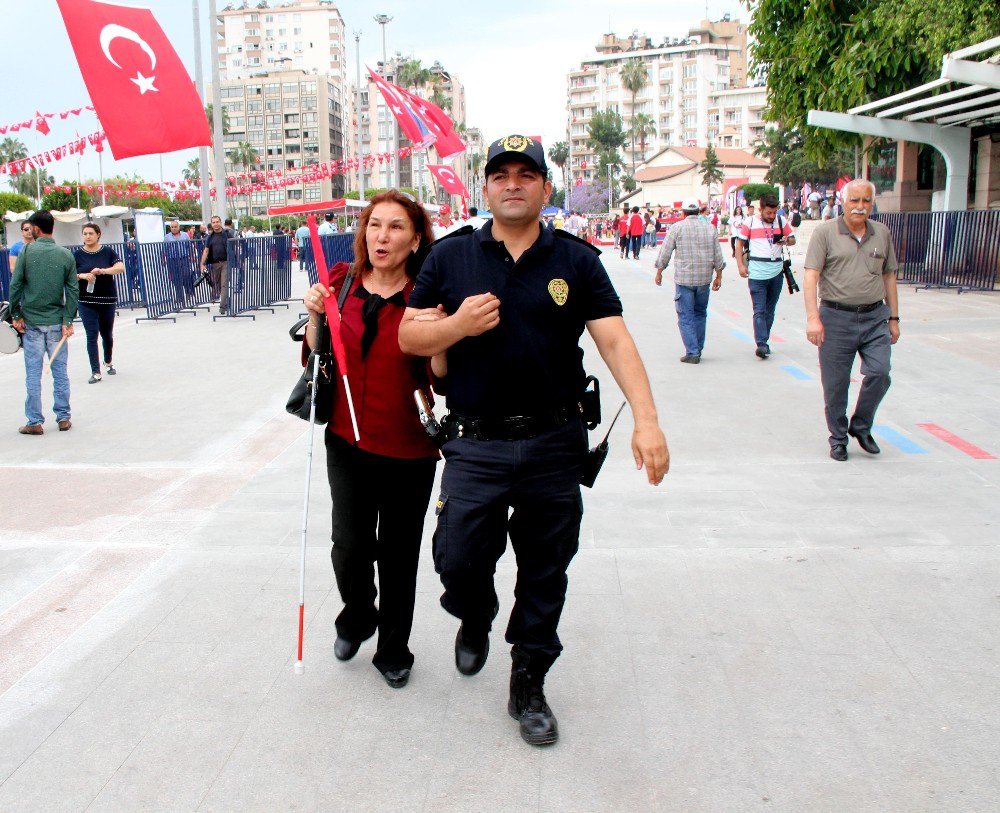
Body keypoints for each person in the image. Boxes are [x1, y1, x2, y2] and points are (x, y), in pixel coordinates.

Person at [399, 134, 669, 747]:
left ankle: (528, 680)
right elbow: (409, 340)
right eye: (501, 174)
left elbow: (616, 342)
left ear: (546, 189)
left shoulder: (576, 260)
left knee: (547, 569)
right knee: (458, 557)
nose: (513, 183)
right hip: (475, 443)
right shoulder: (451, 258)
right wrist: (456, 324)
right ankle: (475, 612)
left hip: (554, 442)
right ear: (485, 187)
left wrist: (647, 421)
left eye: (527, 174)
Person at [302, 191, 441, 689]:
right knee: (349, 545)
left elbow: (440, 376)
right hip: (346, 440)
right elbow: (317, 357)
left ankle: (394, 647)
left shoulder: (427, 298)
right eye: (374, 225)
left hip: (409, 448)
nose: (382, 236)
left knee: (399, 553)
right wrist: (316, 313)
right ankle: (358, 616)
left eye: (396, 227)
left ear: (416, 238)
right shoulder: (341, 283)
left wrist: (447, 332)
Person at [804, 179, 899, 462]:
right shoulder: (825, 234)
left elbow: (889, 276)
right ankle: (838, 438)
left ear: (872, 203)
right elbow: (811, 277)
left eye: (866, 201)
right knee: (836, 385)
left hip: (874, 317)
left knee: (880, 373)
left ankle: (861, 424)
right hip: (835, 318)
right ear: (842, 202)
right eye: (854, 200)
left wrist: (893, 317)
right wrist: (813, 318)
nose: (860, 207)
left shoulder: (881, 233)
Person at [8, 210, 78, 434]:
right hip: (57, 322)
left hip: (32, 322)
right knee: (60, 371)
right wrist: (68, 318)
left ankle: (35, 421)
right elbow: (73, 290)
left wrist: (16, 314)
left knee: (33, 373)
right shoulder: (65, 255)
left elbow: (15, 285)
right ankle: (63, 417)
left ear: (36, 229)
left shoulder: (27, 252)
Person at [653, 198, 725, 364]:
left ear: (683, 213)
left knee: (685, 316)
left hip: (684, 280)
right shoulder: (710, 228)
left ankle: (692, 352)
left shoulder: (677, 228)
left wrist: (659, 272)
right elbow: (718, 255)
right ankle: (697, 348)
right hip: (704, 279)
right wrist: (718, 275)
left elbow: (665, 252)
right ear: (698, 212)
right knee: (700, 313)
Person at [735, 193, 796, 359]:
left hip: (776, 273)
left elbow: (792, 239)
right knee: (759, 310)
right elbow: (739, 243)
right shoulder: (750, 222)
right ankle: (761, 344)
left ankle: (764, 339)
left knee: (770, 311)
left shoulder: (781, 221)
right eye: (768, 212)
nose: (771, 216)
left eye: (774, 212)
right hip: (756, 273)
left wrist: (785, 240)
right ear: (760, 209)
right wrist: (740, 265)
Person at [73, 223, 124, 384]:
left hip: (106, 299)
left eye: (90, 233)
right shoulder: (77, 255)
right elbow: (70, 274)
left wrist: (103, 271)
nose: (87, 236)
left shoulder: (108, 252)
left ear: (98, 234)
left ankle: (108, 361)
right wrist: (83, 276)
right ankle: (95, 371)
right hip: (86, 301)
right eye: (85, 233)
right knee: (91, 334)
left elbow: (120, 267)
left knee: (107, 334)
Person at [199, 215, 233, 314]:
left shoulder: (227, 234)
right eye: (213, 222)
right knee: (218, 285)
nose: (215, 224)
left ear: (220, 222)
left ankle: (222, 307)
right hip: (215, 264)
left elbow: (235, 245)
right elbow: (206, 251)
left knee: (224, 285)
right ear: (211, 224)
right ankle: (226, 301)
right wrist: (202, 264)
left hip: (226, 262)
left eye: (217, 222)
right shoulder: (210, 237)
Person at [164, 219, 195, 309]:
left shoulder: (185, 235)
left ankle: (188, 292)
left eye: (175, 227)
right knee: (175, 279)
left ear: (179, 227)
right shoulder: (167, 237)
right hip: (172, 260)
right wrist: (164, 259)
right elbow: (165, 249)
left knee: (186, 275)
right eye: (172, 227)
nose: (173, 228)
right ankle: (179, 296)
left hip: (183, 258)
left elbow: (189, 247)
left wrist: (192, 257)